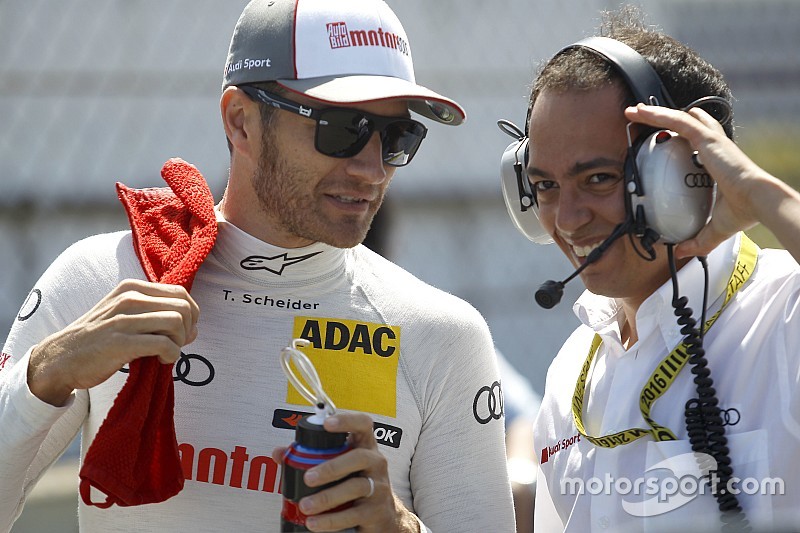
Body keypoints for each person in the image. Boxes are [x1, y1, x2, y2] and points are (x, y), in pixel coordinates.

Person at [0, 1, 516, 532]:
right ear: (240, 120)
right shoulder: (103, 279)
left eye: (397, 138)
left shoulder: (444, 334)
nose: (371, 168)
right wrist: (43, 377)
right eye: (343, 128)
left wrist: (400, 528)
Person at [515, 6, 800, 532]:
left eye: (597, 179)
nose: (569, 220)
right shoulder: (571, 373)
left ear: (685, 174)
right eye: (546, 187)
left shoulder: (784, 313)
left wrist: (760, 193)